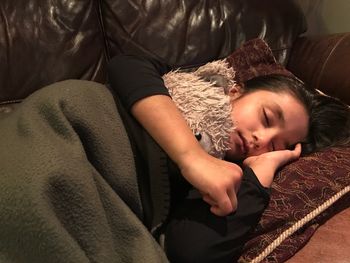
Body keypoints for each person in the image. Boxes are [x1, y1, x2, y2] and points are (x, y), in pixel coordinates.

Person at [107, 54, 350, 263]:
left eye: (275, 146)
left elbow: (191, 252)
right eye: (266, 118)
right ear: (235, 91)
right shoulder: (184, 90)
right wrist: (191, 157)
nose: (261, 140)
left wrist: (258, 175)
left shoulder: (225, 174)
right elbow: (127, 64)